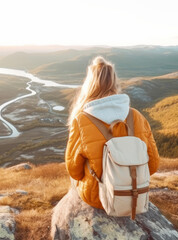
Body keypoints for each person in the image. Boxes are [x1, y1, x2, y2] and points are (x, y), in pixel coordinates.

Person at [65, 56, 160, 209]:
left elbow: (74, 171)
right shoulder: (137, 116)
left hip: (99, 198)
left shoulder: (81, 121)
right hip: (136, 194)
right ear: (115, 83)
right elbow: (153, 165)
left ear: (89, 85)